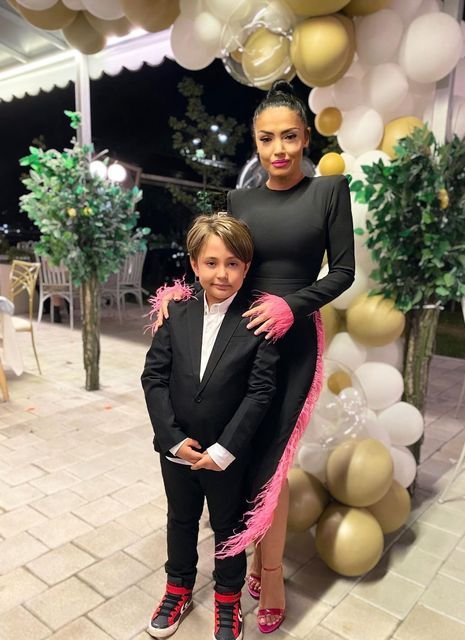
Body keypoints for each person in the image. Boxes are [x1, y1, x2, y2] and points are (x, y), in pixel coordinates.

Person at [154, 80, 355, 634]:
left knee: (271, 466)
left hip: (293, 342)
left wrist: (292, 306)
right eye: (267, 139)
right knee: (235, 453)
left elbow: (343, 272)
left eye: (289, 136)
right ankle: (236, 565)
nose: (279, 149)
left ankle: (270, 577)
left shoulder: (329, 192)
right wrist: (180, 298)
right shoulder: (239, 201)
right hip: (239, 342)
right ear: (256, 141)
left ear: (305, 136)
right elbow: (224, 264)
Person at [141, 214, 279, 640]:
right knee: (180, 519)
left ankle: (228, 598)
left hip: (227, 453)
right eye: (212, 262)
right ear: (195, 265)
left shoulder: (257, 322)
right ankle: (178, 588)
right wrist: (172, 439)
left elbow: (260, 392)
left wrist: (224, 450)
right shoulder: (176, 314)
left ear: (246, 267)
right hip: (178, 448)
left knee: (229, 525)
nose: (222, 273)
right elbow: (154, 377)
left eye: (233, 263)